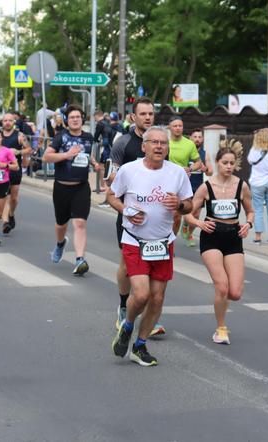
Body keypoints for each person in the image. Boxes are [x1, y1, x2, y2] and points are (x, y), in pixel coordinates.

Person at [108, 126, 193, 366]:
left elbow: (189, 204)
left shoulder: (177, 173)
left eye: (163, 143)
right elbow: (112, 196)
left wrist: (179, 204)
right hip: (135, 240)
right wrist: (126, 210)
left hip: (163, 243)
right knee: (142, 294)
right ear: (144, 146)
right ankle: (127, 325)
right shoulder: (129, 170)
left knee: (157, 298)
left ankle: (139, 345)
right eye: (153, 142)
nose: (158, 146)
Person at [108, 97, 165, 336]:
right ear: (134, 117)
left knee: (154, 269)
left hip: (155, 217)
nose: (148, 117)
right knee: (126, 264)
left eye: (151, 113)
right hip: (130, 215)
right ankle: (124, 306)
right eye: (143, 114)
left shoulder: (161, 143)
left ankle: (147, 318)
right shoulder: (123, 143)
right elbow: (111, 176)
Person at [184, 147, 253, 344]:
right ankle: (221, 329)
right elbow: (187, 212)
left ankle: (222, 312)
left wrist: (248, 224)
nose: (229, 167)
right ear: (217, 163)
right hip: (211, 236)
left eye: (232, 163)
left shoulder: (242, 186)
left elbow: (251, 211)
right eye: (225, 163)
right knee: (222, 287)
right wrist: (199, 223)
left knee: (235, 293)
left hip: (233, 237)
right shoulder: (206, 187)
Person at [43, 105, 100, 275]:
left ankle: (80, 259)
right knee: (61, 224)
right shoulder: (61, 137)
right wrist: (67, 155)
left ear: (83, 119)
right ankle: (60, 243)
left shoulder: (89, 137)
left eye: (78, 116)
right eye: (72, 117)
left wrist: (94, 163)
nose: (75, 119)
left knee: (80, 223)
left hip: (81, 187)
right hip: (61, 187)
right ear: (68, 120)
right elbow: (46, 156)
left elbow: (87, 155)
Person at [168, 116, 203, 235]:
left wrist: (190, 168)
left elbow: (199, 163)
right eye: (175, 126)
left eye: (180, 126)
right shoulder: (164, 142)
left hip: (180, 182)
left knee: (177, 216)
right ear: (170, 127)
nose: (178, 128)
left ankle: (170, 242)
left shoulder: (189, 144)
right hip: (164, 180)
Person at [247, 128, 268, 244]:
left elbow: (250, 161)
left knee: (258, 209)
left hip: (258, 182)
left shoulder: (254, 150)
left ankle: (258, 236)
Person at [0, 113, 32, 234]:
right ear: (2, 122)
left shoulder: (19, 136)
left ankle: (11, 214)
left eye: (10, 120)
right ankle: (5, 221)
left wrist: (18, 151)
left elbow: (29, 149)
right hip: (2, 170)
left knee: (13, 198)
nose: (7, 122)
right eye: (5, 120)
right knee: (4, 196)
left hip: (15, 169)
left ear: (14, 122)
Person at [182, 128, 213, 247]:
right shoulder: (186, 151)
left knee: (196, 215)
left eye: (200, 137)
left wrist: (205, 169)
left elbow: (210, 172)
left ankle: (189, 233)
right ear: (190, 138)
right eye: (195, 137)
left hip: (199, 188)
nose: (197, 139)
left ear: (203, 139)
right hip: (186, 187)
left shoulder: (205, 154)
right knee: (188, 211)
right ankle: (185, 223)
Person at [94, 109, 114, 192]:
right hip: (111, 146)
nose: (94, 119)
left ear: (97, 115)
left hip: (105, 147)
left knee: (102, 166)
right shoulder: (107, 121)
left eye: (95, 117)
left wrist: (96, 141)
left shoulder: (100, 123)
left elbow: (96, 135)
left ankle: (102, 186)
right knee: (109, 166)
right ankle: (107, 185)